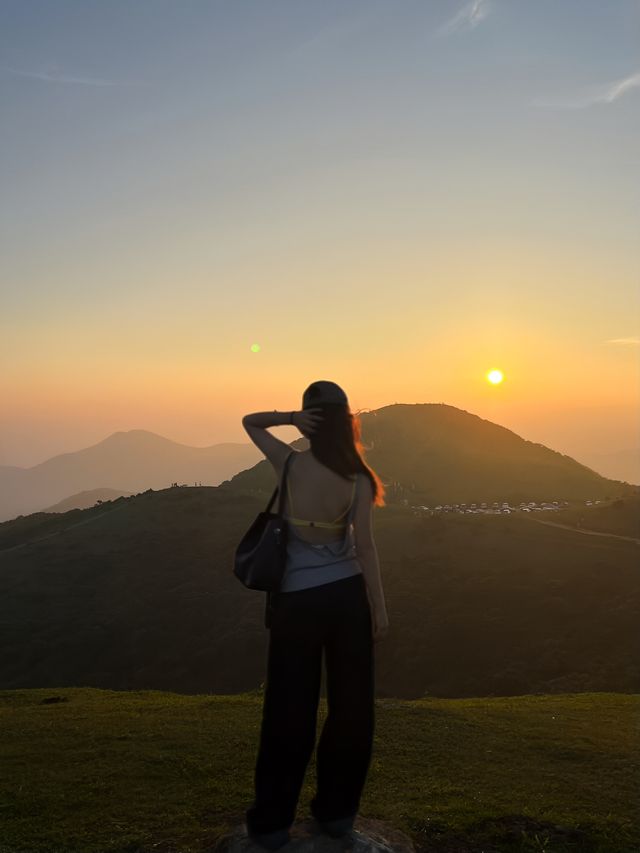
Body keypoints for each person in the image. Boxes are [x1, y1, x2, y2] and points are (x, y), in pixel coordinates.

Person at [242, 380, 389, 850]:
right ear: (347, 422)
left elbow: (248, 422)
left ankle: (270, 824)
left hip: (295, 602)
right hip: (347, 599)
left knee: (288, 710)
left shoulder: (290, 464)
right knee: (351, 710)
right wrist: (379, 609)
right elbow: (364, 547)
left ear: (311, 421)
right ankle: (338, 815)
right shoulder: (360, 478)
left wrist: (287, 418)